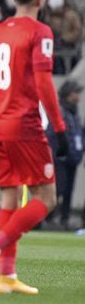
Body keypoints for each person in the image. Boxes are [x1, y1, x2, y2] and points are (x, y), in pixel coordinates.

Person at [0, 0, 68, 295]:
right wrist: (60, 126)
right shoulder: (40, 32)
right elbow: (43, 84)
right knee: (47, 197)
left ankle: (8, 276)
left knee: (10, 196)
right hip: (23, 125)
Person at [46, 80, 84, 230]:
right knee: (59, 189)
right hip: (60, 158)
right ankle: (49, 218)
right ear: (68, 94)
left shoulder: (74, 112)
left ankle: (64, 219)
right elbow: (52, 134)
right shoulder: (60, 111)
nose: (78, 96)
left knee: (68, 191)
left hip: (73, 159)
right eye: (76, 93)